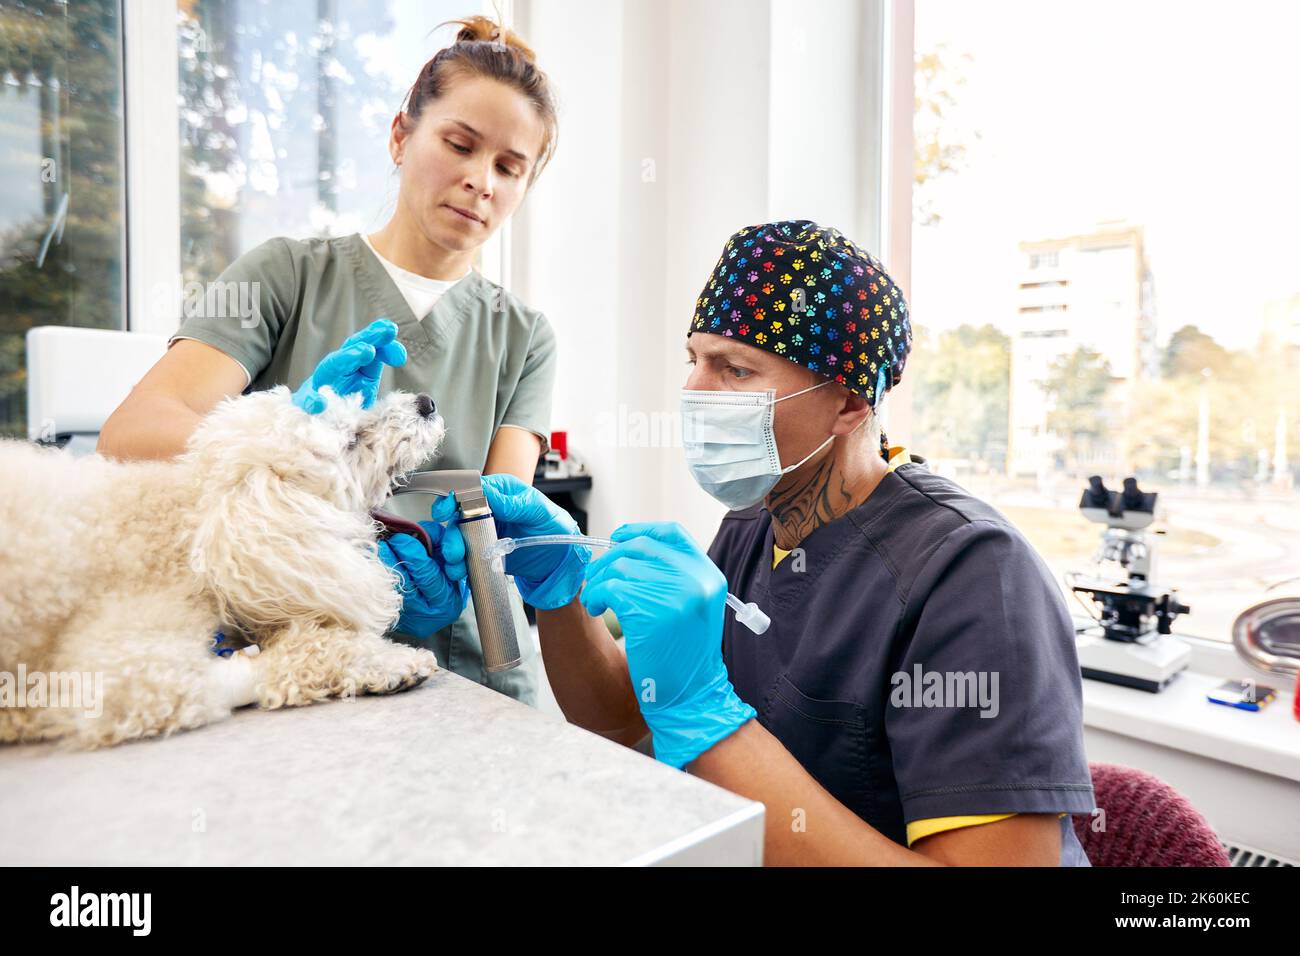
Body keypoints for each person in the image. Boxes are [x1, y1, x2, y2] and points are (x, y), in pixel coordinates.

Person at [476, 220, 1097, 865]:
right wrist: (559, 593)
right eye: (694, 360)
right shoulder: (753, 525)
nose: (694, 392)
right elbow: (615, 720)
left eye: (736, 369)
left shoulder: (971, 575)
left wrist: (706, 715)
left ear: (851, 404)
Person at [97, 16, 559, 706]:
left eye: (508, 167)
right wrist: (301, 449)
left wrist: (479, 564)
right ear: (402, 136)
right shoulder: (286, 275)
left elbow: (495, 522)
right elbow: (132, 436)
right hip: (286, 660)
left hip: (467, 675)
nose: (479, 180)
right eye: (459, 145)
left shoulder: (524, 336)